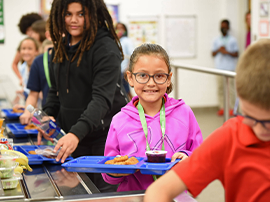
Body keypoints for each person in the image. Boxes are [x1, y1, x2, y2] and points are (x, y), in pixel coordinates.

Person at [144, 39, 270, 202]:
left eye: (268, 123)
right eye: (249, 117)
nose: (260, 130)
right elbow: (158, 192)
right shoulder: (231, 137)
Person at [38, 0, 128, 192]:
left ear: (92, 14)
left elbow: (101, 99)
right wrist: (45, 116)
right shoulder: (62, 45)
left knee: (103, 194)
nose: (73, 20)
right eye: (68, 14)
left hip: (104, 139)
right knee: (78, 193)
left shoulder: (105, 47)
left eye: (81, 14)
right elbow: (56, 91)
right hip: (75, 137)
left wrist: (75, 133)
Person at [102, 43, 203, 192]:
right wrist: (114, 172)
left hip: (174, 195)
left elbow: (200, 156)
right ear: (130, 78)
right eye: (142, 75)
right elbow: (107, 172)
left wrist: (187, 156)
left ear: (168, 79)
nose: (151, 83)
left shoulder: (184, 113)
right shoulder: (119, 120)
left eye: (159, 76)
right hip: (133, 197)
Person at [19, 39, 54, 125]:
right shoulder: (38, 62)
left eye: (30, 49)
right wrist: (27, 110)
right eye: (23, 48)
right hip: (47, 115)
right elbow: (33, 94)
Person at [212, 19, 238, 116]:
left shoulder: (233, 40)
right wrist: (219, 50)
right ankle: (222, 108)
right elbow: (213, 53)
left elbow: (236, 54)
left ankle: (232, 108)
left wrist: (227, 52)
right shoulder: (216, 40)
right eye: (221, 26)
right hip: (219, 68)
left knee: (231, 89)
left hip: (230, 68)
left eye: (225, 26)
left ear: (228, 27)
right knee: (220, 89)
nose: (223, 28)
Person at [13, 13, 42, 86]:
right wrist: (21, 79)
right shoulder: (24, 44)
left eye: (31, 30)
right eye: (27, 30)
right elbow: (14, 64)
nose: (29, 33)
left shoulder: (43, 44)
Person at [115, 22, 134, 100]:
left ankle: (135, 107)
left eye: (121, 28)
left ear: (125, 30)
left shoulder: (126, 41)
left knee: (126, 91)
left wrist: (128, 69)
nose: (119, 30)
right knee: (125, 91)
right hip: (118, 70)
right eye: (117, 28)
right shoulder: (117, 41)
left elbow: (132, 55)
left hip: (123, 71)